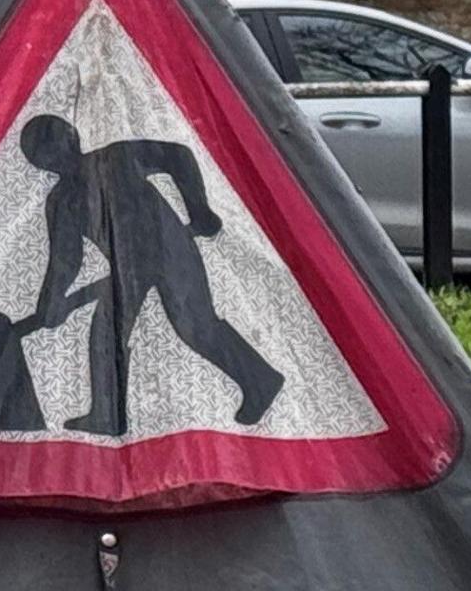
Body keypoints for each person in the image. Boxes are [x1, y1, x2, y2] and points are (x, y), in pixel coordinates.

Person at [16, 113, 286, 435]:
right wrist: (51, 302)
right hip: (128, 267)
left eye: (55, 146)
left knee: (196, 327)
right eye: (44, 155)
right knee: (107, 330)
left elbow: (178, 156)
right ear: (39, 164)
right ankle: (107, 414)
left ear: (73, 138)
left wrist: (199, 209)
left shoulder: (116, 158)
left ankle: (259, 379)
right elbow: (65, 260)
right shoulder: (62, 201)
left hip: (170, 248)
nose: (54, 158)